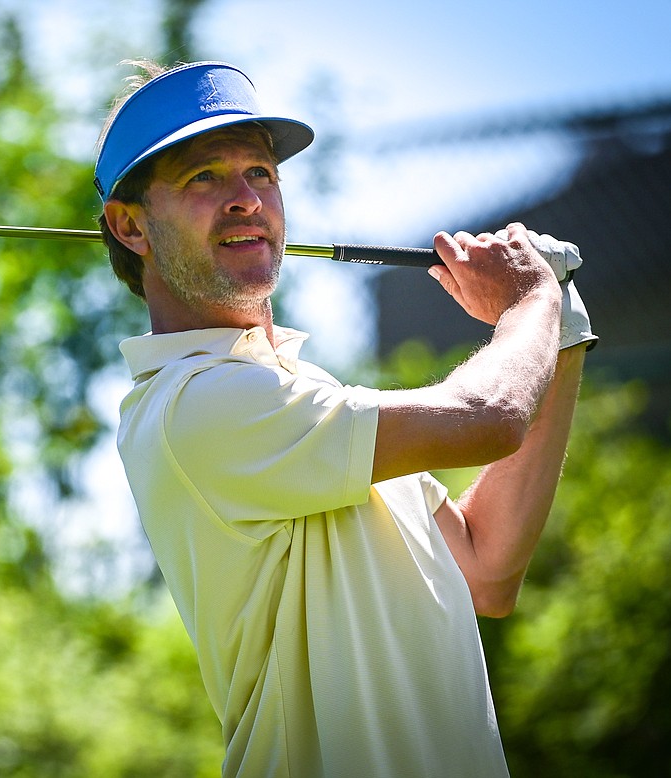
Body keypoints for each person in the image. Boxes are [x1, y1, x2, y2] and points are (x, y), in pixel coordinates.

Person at [95, 60, 596, 777]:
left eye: (260, 172)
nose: (246, 200)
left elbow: (487, 567)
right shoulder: (194, 402)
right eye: (203, 177)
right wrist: (529, 302)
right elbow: (489, 416)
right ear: (130, 226)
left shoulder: (308, 396)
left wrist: (561, 335)